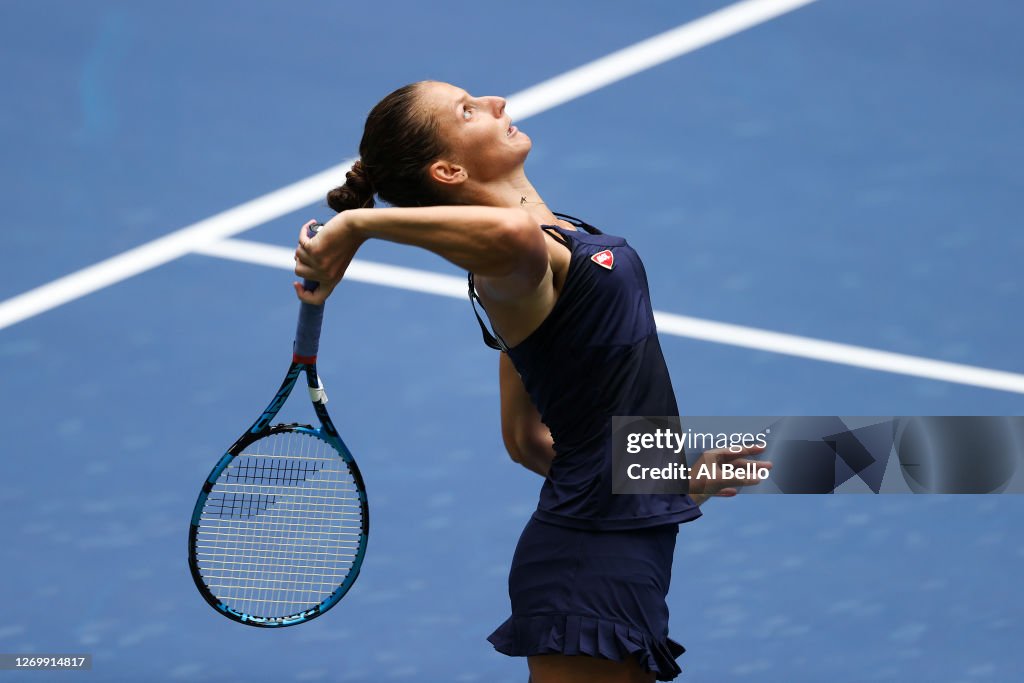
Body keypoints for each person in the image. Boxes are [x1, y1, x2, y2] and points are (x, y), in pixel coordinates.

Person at [293, 80, 770, 683]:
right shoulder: (512, 264)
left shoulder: (553, 238)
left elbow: (529, 441)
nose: (495, 101)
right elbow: (512, 235)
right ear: (447, 169)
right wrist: (360, 225)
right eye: (467, 110)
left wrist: (674, 479)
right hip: (587, 564)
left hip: (613, 546)